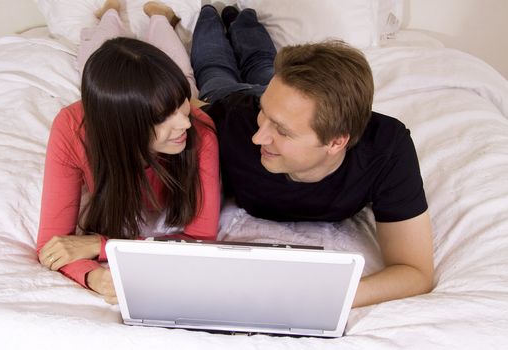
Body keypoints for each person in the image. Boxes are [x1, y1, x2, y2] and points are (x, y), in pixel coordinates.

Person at [190, 5, 434, 308]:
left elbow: (416, 272)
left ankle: (242, 17)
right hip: (239, 98)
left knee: (261, 65)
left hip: (271, 99)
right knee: (217, 70)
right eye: (264, 118)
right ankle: (211, 12)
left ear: (336, 142)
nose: (258, 137)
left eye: (281, 131)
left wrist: (318, 298)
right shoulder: (235, 122)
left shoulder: (387, 147)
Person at [36, 0, 220, 304]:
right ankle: (110, 12)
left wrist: (102, 245)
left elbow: (201, 239)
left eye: (180, 106)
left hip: (164, 85)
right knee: (95, 58)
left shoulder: (198, 126)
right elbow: (52, 244)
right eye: (163, 117)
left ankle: (159, 16)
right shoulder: (71, 129)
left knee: (181, 72)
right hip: (112, 99)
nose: (184, 123)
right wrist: (94, 277)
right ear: (124, 126)